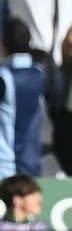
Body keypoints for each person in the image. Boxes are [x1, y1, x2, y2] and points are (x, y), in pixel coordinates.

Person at [0, 20, 48, 178]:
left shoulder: (4, 77)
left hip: (5, 168)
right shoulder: (40, 72)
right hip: (31, 165)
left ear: (4, 45)